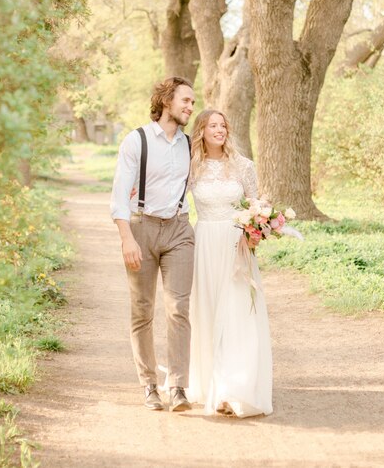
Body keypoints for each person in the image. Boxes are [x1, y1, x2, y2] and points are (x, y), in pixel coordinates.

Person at [110, 76, 196, 412]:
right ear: (166, 102)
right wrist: (126, 238)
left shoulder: (191, 144)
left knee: (179, 308)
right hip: (141, 228)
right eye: (185, 101)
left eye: (192, 102)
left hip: (178, 230)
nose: (191, 107)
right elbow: (119, 195)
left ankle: (178, 386)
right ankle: (148, 385)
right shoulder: (137, 141)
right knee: (142, 310)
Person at [187, 109, 273, 418]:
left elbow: (257, 205)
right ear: (202, 131)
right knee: (209, 311)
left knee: (238, 314)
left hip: (236, 245)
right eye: (212, 125)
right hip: (205, 243)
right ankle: (214, 383)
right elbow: (175, 200)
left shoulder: (243, 166)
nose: (219, 129)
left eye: (223, 124)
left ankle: (236, 388)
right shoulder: (191, 167)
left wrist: (254, 231)